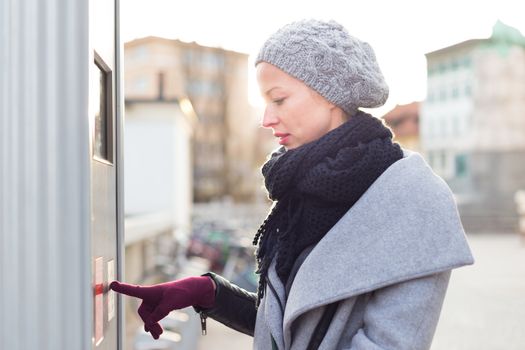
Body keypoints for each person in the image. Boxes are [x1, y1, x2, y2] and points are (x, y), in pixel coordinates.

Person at [110, 19, 474, 349]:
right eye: (264, 102)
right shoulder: (299, 189)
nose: (267, 118)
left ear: (331, 94)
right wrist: (208, 293)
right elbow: (292, 328)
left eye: (279, 99)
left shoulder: (412, 199)